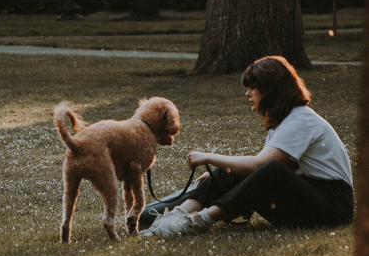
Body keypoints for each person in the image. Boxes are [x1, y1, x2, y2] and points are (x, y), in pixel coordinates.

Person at [139, 56, 354, 236]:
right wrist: (225, 171)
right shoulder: (281, 121)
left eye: (253, 88)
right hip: (308, 197)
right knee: (240, 168)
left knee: (265, 169)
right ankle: (177, 216)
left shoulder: (300, 120)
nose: (247, 94)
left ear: (270, 90)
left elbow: (262, 166)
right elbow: (271, 166)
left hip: (332, 207)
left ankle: (198, 221)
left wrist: (208, 157)